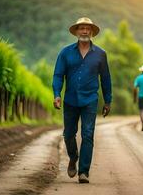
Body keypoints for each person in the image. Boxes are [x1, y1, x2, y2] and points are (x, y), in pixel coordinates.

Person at [52, 17, 112, 183]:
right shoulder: (65, 53)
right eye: (81, 28)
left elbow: (106, 79)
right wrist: (57, 94)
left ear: (92, 32)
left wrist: (108, 100)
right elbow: (58, 75)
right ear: (76, 32)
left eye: (87, 28)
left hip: (90, 99)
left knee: (87, 134)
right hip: (70, 99)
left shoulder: (101, 54)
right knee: (68, 134)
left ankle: (83, 172)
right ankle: (73, 157)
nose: (85, 31)